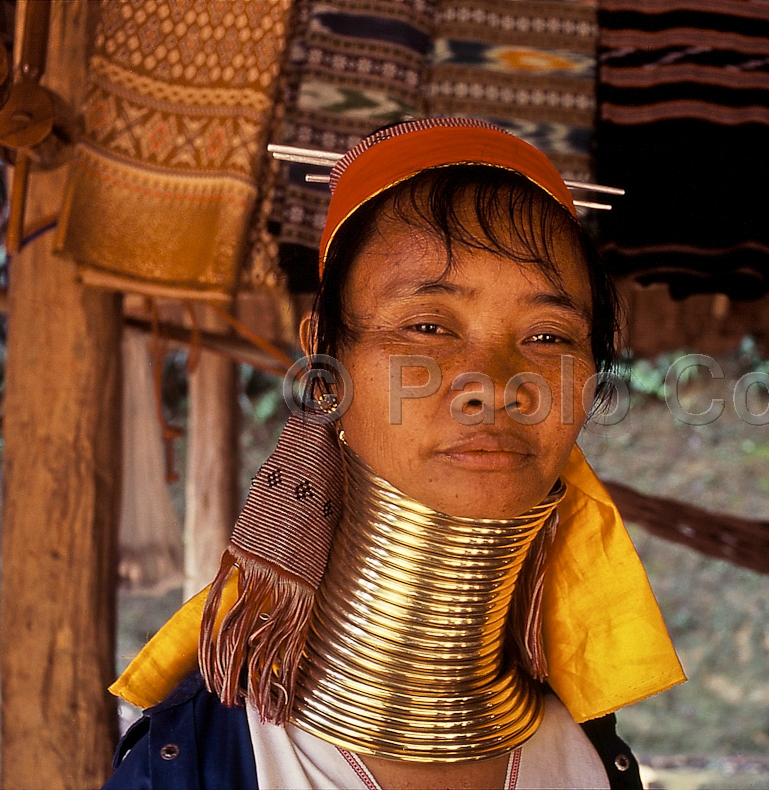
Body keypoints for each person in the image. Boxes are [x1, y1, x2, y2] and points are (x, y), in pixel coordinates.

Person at [103, 118, 684, 790]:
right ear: (325, 361)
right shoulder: (196, 767)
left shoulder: (594, 765)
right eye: (428, 326)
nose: (494, 386)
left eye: (549, 337)